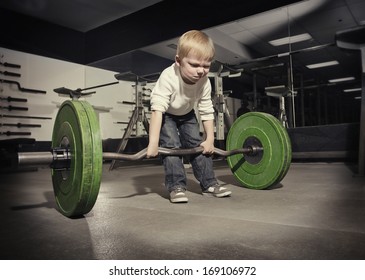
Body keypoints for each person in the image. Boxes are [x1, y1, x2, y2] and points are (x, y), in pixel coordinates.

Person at [146, 30, 232, 203]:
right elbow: (157, 111)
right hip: (166, 114)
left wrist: (210, 140)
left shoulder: (204, 81)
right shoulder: (168, 77)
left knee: (198, 146)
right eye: (194, 65)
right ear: (178, 61)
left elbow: (206, 109)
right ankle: (176, 186)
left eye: (206, 66)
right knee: (171, 147)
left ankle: (209, 183)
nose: (201, 71)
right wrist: (153, 143)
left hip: (186, 114)